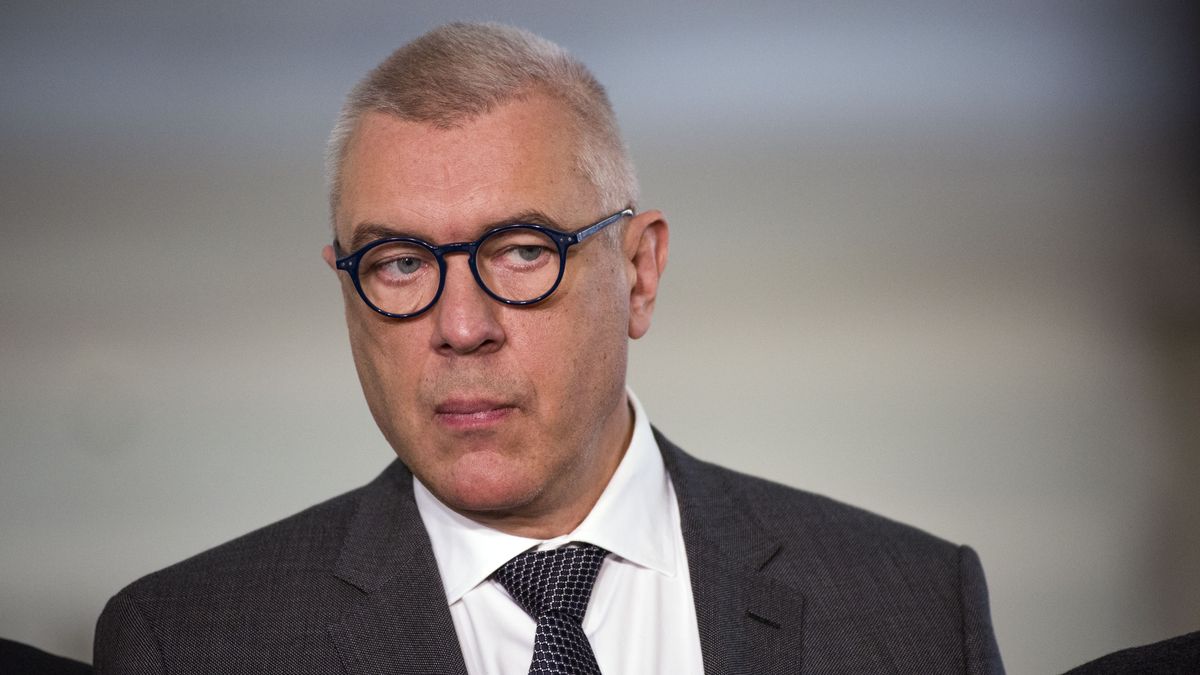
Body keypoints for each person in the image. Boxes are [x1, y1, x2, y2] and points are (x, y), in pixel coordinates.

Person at [94, 22, 1004, 674]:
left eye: (521, 250)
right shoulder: (189, 641)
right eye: (401, 262)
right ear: (346, 289)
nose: (461, 325)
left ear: (640, 271)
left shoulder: (914, 606)